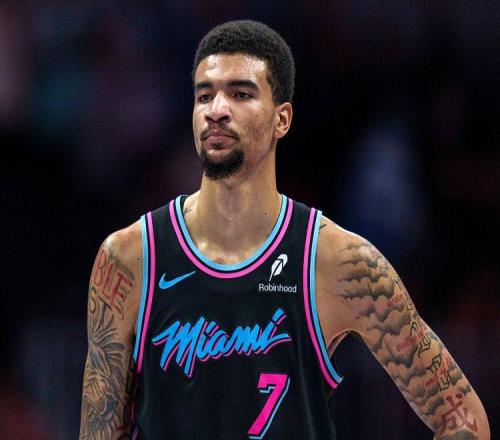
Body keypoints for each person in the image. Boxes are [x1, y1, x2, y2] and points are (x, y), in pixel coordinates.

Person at [79, 20, 490, 440]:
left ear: (282, 119)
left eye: (240, 94)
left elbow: (462, 417)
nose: (217, 109)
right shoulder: (129, 258)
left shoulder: (338, 261)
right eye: (205, 94)